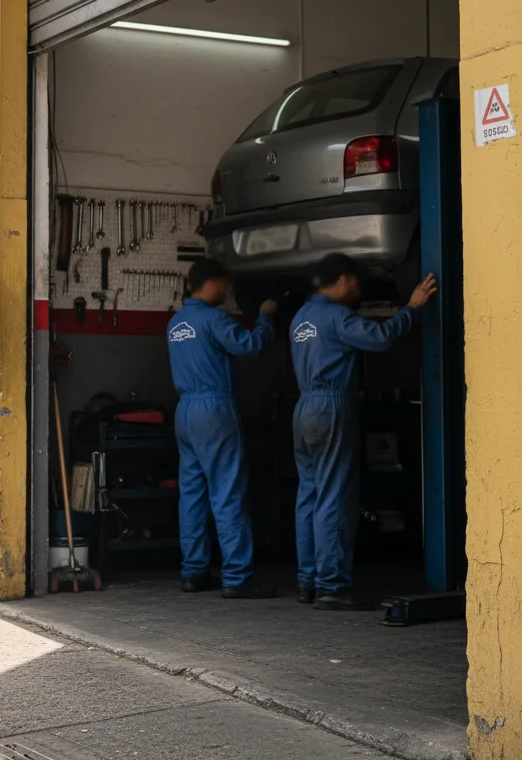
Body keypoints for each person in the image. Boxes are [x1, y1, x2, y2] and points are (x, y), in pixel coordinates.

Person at [289, 254, 437, 610]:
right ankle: (331, 587)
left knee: (308, 494)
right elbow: (381, 337)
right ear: (341, 280)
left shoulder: (300, 318)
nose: (357, 289)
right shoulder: (337, 316)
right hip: (330, 407)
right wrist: (412, 309)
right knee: (334, 496)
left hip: (304, 409)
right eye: (355, 282)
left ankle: (308, 581)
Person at [166, 258, 278, 599]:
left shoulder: (176, 322)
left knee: (193, 494)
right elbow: (252, 346)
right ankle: (238, 577)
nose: (227, 291)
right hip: (214, 410)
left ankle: (194, 572)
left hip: (185, 412)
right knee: (227, 491)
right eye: (225, 285)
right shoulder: (214, 319)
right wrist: (267, 316)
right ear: (212, 283)